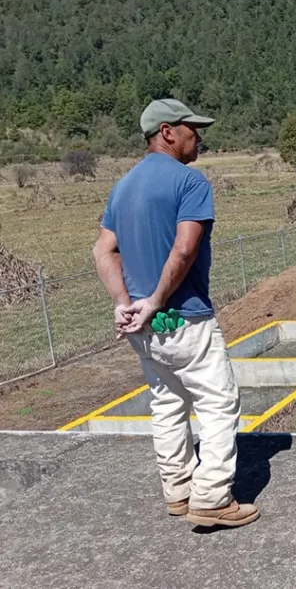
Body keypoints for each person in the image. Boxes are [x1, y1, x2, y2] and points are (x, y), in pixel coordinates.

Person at [93, 99, 259, 528]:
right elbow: (185, 248)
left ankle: (178, 490)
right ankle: (212, 497)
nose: (198, 137)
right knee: (219, 403)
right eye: (191, 129)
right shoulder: (190, 181)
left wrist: (125, 303)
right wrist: (156, 300)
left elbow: (103, 250)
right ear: (167, 132)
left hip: (142, 326)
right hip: (185, 317)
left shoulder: (122, 186)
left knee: (167, 402)